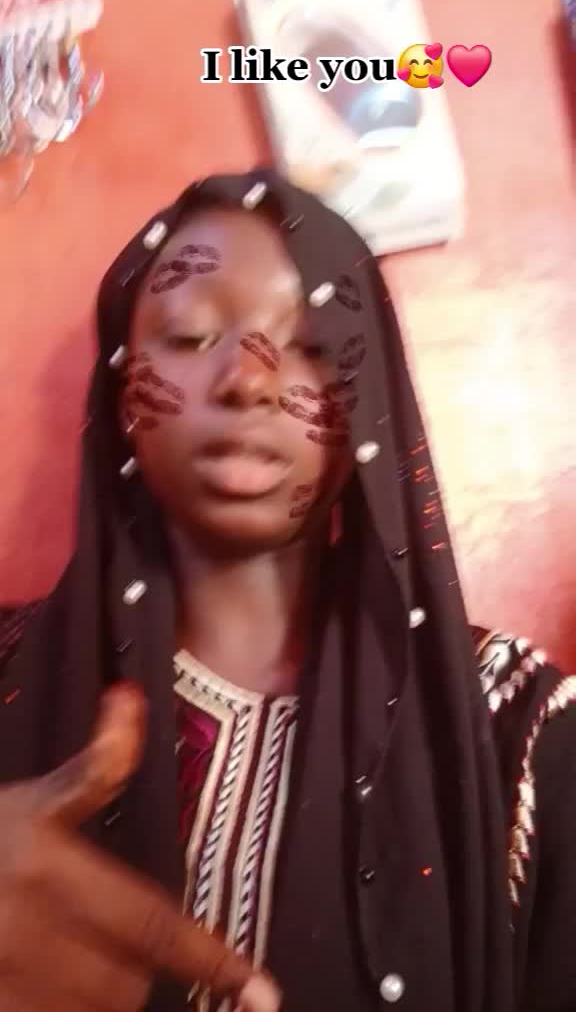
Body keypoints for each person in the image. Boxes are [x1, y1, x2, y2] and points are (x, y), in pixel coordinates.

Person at [0, 170, 575, 1012]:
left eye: (311, 344)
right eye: (191, 336)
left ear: (368, 403)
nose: (249, 379)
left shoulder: (518, 729)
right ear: (122, 397)